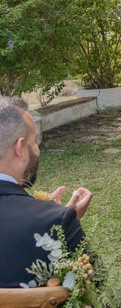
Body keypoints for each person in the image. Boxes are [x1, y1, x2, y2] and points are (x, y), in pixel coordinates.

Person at [0, 96, 93, 288]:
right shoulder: (57, 221)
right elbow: (102, 291)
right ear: (20, 148)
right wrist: (63, 222)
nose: (38, 150)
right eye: (34, 141)